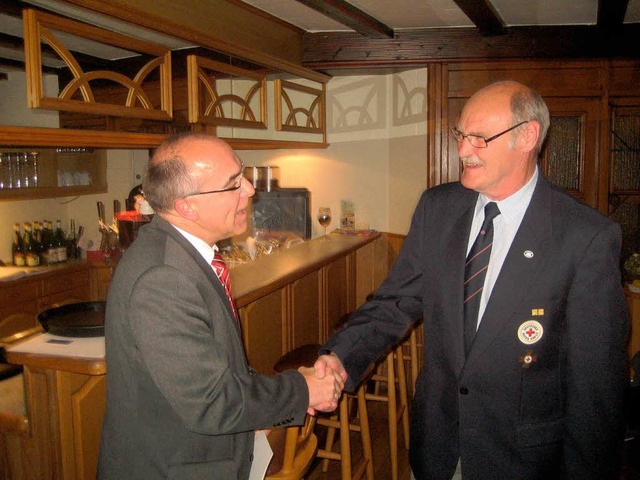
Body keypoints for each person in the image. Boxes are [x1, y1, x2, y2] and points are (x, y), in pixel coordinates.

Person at [316, 80, 629, 479]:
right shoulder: (438, 208)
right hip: (438, 447)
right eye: (461, 135)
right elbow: (395, 302)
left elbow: (595, 390)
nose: (463, 150)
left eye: (480, 138)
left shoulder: (585, 236)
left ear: (527, 136)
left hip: (522, 459)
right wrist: (338, 357)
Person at [97, 133, 343, 479]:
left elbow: (219, 372)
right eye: (233, 184)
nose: (249, 189)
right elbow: (213, 402)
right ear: (187, 206)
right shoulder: (162, 278)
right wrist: (303, 389)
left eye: (240, 176)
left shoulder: (187, 255)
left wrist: (283, 398)